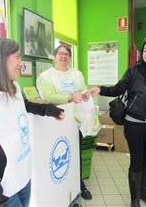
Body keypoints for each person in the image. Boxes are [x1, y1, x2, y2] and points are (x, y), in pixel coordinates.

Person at [0, 37, 65, 207]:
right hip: (1, 192)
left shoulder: (12, 87)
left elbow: (23, 105)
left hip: (22, 178)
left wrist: (49, 110)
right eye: (17, 57)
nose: (21, 63)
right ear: (1, 58)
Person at [87, 37, 146, 207]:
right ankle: (134, 199)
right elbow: (118, 88)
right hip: (133, 123)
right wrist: (101, 89)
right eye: (145, 50)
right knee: (136, 161)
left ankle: (144, 193)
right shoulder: (133, 71)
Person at [36, 44, 92, 200]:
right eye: (60, 53)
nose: (63, 56)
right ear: (55, 57)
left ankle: (79, 184)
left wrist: (86, 94)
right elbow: (49, 96)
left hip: (76, 120)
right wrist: (70, 97)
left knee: (76, 152)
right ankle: (60, 188)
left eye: (67, 54)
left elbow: (83, 90)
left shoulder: (78, 74)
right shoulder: (46, 76)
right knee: (60, 153)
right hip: (56, 121)